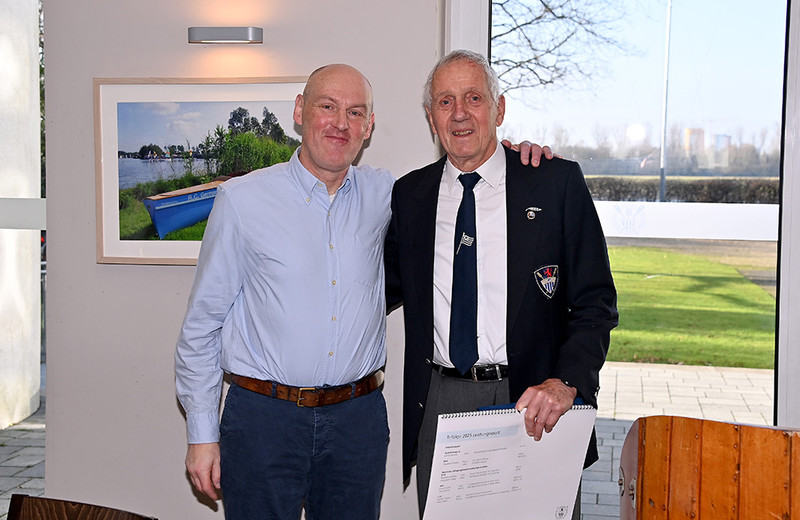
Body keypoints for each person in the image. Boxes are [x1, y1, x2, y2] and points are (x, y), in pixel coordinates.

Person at [174, 63, 550, 520]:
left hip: (357, 422)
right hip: (263, 419)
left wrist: (513, 156)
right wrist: (201, 433)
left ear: (369, 126)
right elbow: (202, 325)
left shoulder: (390, 195)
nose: (340, 123)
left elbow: (470, 175)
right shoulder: (243, 200)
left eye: (355, 112)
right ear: (299, 111)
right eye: (327, 107)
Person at [384, 49, 619, 518]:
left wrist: (567, 382)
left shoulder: (554, 183)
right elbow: (375, 286)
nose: (460, 113)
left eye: (474, 98)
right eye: (445, 101)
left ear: (499, 109)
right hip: (443, 400)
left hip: (535, 400)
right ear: (431, 117)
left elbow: (595, 302)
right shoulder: (410, 195)